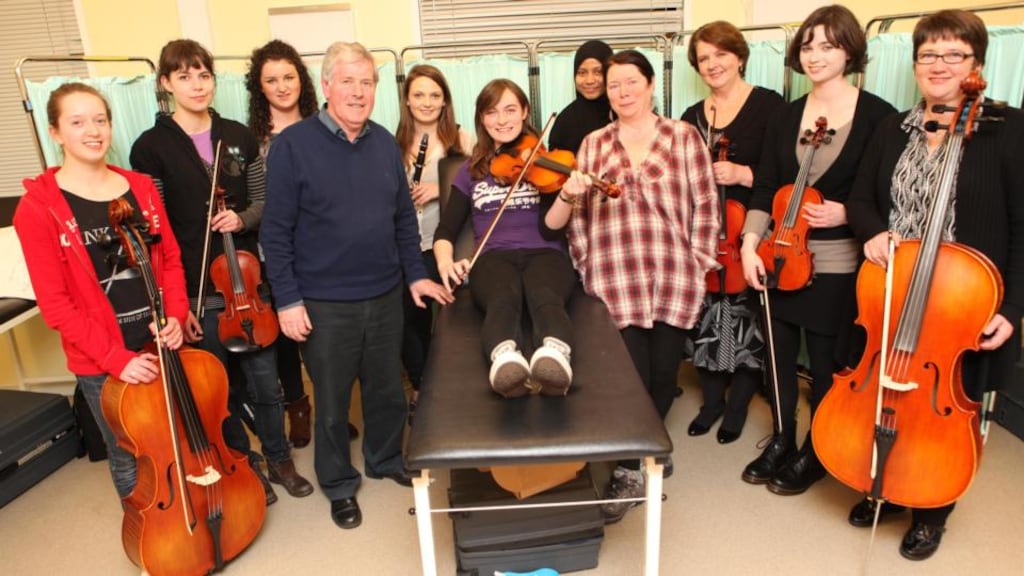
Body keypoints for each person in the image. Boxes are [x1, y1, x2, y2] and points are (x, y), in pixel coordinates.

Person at [845, 9, 1024, 561]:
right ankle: (887, 486)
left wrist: (1013, 307)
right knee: (884, 394)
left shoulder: (1007, 127)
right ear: (914, 62)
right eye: (928, 54)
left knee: (940, 406)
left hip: (963, 303)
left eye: (954, 54)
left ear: (977, 63)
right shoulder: (892, 127)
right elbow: (860, 200)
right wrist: (873, 233)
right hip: (894, 292)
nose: (939, 65)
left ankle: (932, 508)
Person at [260, 41, 453, 530]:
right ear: (325, 86)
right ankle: (339, 484)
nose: (358, 91)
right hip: (324, 303)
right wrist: (287, 299)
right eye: (347, 81)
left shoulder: (384, 142)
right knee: (331, 400)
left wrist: (415, 276)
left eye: (367, 82)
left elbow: (403, 222)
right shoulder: (292, 146)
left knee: (387, 389)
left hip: (385, 293)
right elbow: (275, 232)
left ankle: (385, 459)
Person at [130, 39, 312, 505]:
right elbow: (159, 230)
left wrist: (242, 219)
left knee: (267, 385)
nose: (197, 84)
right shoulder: (151, 148)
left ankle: (278, 458)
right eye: (184, 76)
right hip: (199, 291)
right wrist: (178, 305)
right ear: (166, 84)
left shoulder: (238, 136)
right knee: (222, 391)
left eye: (204, 74)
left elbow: (264, 202)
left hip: (247, 283)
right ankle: (242, 464)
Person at [738, 5, 896, 496]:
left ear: (850, 49)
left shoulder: (879, 116)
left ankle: (817, 449)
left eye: (828, 45)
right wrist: (749, 245)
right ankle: (783, 437)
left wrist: (847, 213)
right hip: (778, 255)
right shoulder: (787, 115)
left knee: (826, 363)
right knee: (778, 356)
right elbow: (765, 186)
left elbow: (889, 194)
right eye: (807, 45)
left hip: (838, 262)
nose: (815, 55)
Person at [558, 49, 719, 522]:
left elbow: (705, 203)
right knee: (628, 376)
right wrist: (587, 265)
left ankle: (649, 446)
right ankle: (632, 467)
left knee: (664, 374)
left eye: (631, 82)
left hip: (672, 270)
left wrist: (699, 261)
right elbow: (580, 216)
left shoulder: (683, 137)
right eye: (613, 85)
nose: (622, 91)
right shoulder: (594, 143)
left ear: (650, 85)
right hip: (615, 273)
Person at [14, 83, 187, 500]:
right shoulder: (38, 209)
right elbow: (55, 306)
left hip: (157, 343)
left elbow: (172, 261)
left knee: (179, 441)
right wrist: (116, 360)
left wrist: (177, 315)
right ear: (55, 133)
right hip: (102, 360)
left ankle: (190, 529)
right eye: (77, 122)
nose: (93, 131)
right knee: (128, 453)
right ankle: (150, 540)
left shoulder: (141, 189)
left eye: (100, 120)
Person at [245, 39, 359, 447]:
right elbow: (262, 206)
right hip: (277, 252)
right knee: (290, 335)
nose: (281, 86)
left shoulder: (329, 123)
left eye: (288, 76)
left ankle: (334, 407)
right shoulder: (251, 139)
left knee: (329, 338)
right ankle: (299, 406)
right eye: (271, 80)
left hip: (325, 255)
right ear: (259, 88)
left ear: (306, 81)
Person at [433, 78, 576, 398]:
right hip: (493, 256)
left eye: (510, 109)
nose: (502, 120)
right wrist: (445, 262)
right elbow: (446, 231)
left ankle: (554, 356)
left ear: (525, 111)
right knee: (502, 299)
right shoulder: (470, 170)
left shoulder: (547, 163)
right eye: (492, 112)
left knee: (545, 294)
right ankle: (505, 360)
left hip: (546, 252)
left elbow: (550, 229)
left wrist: (566, 196)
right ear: (482, 118)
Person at [680, 21, 785, 444]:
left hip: (750, 231)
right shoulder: (691, 118)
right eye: (703, 58)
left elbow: (787, 173)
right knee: (703, 321)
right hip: (704, 235)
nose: (712, 64)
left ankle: (738, 406)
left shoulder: (769, 106)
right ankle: (711, 403)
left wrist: (743, 173)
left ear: (739, 56)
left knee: (748, 322)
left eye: (720, 54)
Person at [394, 64, 472, 420]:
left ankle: (462, 389)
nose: (427, 102)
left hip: (452, 245)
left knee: (459, 318)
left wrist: (437, 191)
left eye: (435, 96)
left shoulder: (462, 139)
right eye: (419, 95)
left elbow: (477, 191)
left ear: (445, 102)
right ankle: (423, 388)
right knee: (414, 322)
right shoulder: (392, 143)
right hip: (412, 245)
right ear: (407, 101)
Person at [548, 39, 615, 153]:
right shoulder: (565, 121)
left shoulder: (623, 111)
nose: (589, 80)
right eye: (582, 73)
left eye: (598, 72)